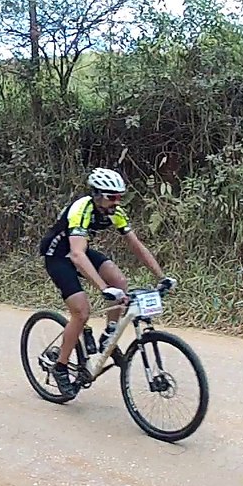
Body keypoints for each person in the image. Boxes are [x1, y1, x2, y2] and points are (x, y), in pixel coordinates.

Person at [36, 167, 172, 399]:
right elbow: (77, 255)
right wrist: (103, 288)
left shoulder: (114, 212)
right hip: (58, 255)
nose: (116, 202)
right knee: (81, 312)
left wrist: (162, 276)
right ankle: (60, 366)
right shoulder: (82, 209)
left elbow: (136, 245)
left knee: (120, 281)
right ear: (97, 194)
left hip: (80, 250)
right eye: (112, 196)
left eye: (119, 197)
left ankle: (108, 335)